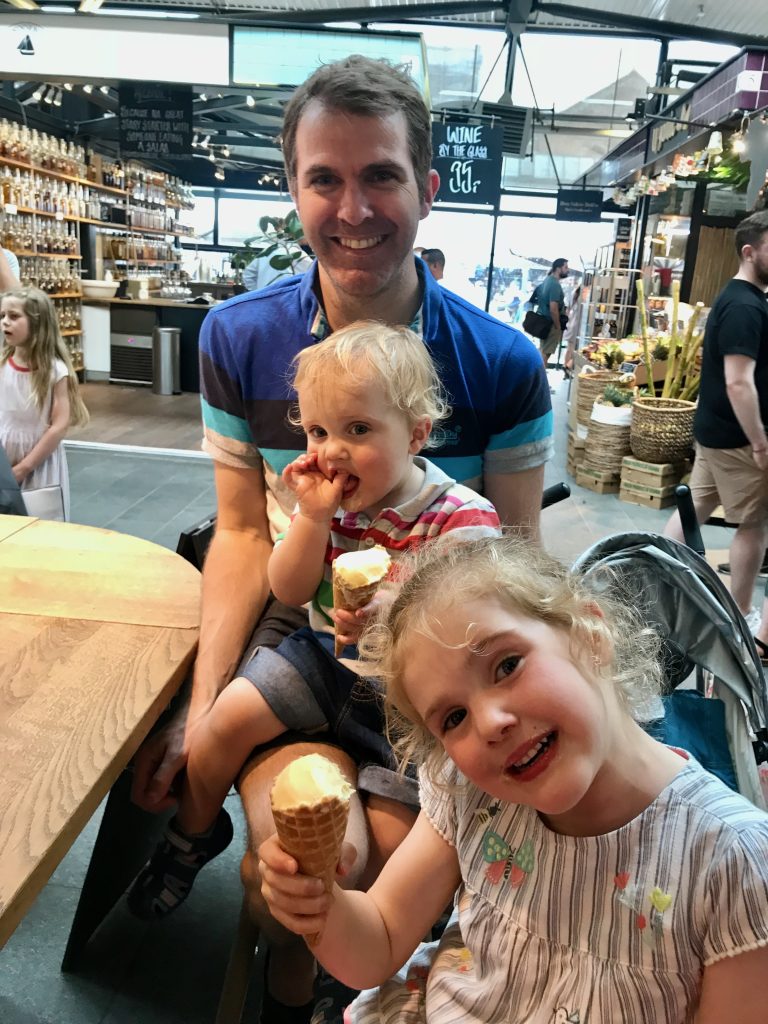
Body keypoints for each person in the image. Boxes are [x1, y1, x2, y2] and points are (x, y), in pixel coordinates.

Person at [131, 55, 552, 1023]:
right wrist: (201, 705)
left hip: (417, 689)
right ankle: (261, 935)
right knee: (295, 850)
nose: (353, 207)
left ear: (428, 190)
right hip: (300, 644)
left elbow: (516, 568)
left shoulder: (502, 364)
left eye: (382, 176)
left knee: (360, 871)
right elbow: (242, 535)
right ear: (293, 189)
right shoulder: (237, 339)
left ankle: (311, 985)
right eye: (325, 177)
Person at [259, 534, 768, 1024]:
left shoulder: (734, 865)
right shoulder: (472, 795)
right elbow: (381, 940)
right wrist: (321, 905)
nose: (490, 723)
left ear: (592, 635)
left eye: (506, 665)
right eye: (453, 718)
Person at [126, 321, 500, 920]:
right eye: (320, 431)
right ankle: (190, 839)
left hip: (408, 704)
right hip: (323, 659)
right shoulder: (331, 507)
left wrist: (402, 615)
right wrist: (311, 520)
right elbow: (290, 588)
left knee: (398, 842)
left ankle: (365, 948)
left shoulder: (460, 517)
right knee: (222, 725)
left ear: (417, 435)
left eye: (358, 429)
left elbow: (476, 621)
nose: (332, 451)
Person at [664, 209, 768, 633]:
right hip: (737, 438)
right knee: (754, 522)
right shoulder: (745, 306)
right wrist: (760, 442)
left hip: (714, 432)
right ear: (749, 251)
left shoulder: (740, 297)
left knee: (697, 506)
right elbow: (739, 383)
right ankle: (741, 617)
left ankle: (646, 580)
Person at [0, 287, 89, 520]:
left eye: (14, 316)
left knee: (42, 520)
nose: (5, 322)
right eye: (2, 316)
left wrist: (24, 467)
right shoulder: (2, 365)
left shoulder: (55, 371)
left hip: (40, 462)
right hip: (3, 454)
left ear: (38, 323)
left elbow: (59, 426)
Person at [533, 257, 569, 367]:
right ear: (558, 269)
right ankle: (540, 381)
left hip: (543, 321)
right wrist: (558, 325)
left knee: (542, 350)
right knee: (545, 353)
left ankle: (537, 379)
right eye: (565, 267)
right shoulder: (554, 284)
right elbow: (553, 308)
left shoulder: (547, 280)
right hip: (551, 323)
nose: (567, 270)